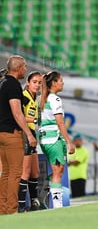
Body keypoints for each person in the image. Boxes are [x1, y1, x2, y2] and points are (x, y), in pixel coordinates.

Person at [0, 56, 37, 215]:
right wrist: (29, 134)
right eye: (25, 66)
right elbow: (17, 112)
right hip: (11, 134)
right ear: (18, 68)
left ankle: (2, 209)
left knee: (6, 173)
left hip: (1, 132)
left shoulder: (2, 83)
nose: (26, 69)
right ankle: (12, 209)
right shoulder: (14, 85)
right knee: (15, 172)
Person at [39, 71, 75, 208]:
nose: (62, 83)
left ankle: (43, 192)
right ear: (53, 83)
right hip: (54, 138)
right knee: (57, 172)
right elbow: (60, 123)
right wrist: (69, 141)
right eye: (60, 80)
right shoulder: (55, 99)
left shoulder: (42, 98)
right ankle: (58, 205)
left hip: (44, 138)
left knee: (57, 171)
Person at [18, 71, 42, 212]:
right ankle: (21, 206)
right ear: (28, 83)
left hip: (32, 133)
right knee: (25, 172)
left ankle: (34, 203)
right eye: (34, 82)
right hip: (25, 133)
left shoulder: (34, 98)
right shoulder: (24, 96)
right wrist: (33, 120)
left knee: (35, 171)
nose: (37, 85)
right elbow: (19, 115)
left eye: (39, 82)